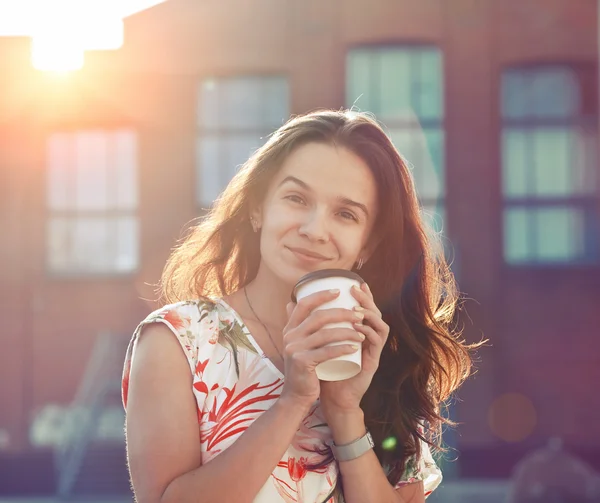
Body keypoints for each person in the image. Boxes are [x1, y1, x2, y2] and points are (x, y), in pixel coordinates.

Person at [122, 109, 478, 503]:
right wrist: (293, 401)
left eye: (345, 214)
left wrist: (345, 413)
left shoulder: (386, 361)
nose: (313, 229)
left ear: (367, 244)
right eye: (296, 198)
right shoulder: (179, 342)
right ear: (258, 207)